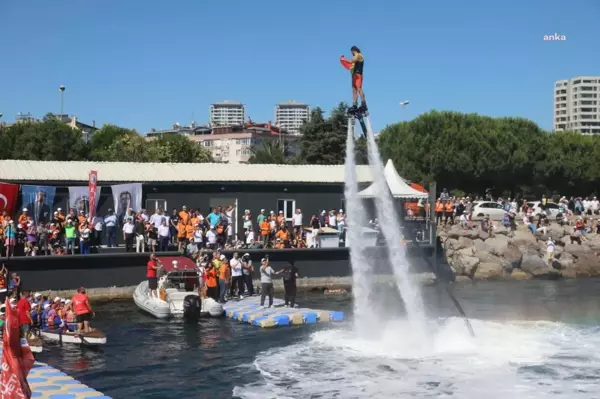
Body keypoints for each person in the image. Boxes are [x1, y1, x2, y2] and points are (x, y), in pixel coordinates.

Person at [341, 46, 366, 114]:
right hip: (354, 75)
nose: (351, 54)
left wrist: (344, 59)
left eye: (351, 52)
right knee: (354, 90)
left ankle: (363, 103)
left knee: (359, 88)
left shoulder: (359, 55)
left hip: (358, 75)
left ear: (353, 50)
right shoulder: (356, 56)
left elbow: (352, 61)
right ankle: (355, 105)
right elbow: (351, 66)